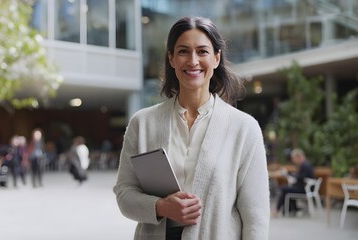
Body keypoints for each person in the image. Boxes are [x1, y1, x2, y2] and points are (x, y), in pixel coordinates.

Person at [113, 16, 270, 240]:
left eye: (203, 51)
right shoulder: (143, 123)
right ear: (171, 59)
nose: (193, 61)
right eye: (183, 51)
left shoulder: (244, 129)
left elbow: (256, 217)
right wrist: (161, 206)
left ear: (216, 58)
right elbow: (124, 194)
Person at [272, 148, 314, 217]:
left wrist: (292, 177)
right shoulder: (305, 164)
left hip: (305, 189)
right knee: (286, 190)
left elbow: (301, 178)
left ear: (298, 157)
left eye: (294, 158)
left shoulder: (305, 165)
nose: (293, 160)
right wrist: (290, 174)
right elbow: (299, 176)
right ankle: (290, 209)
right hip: (303, 188)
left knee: (284, 189)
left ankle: (279, 210)